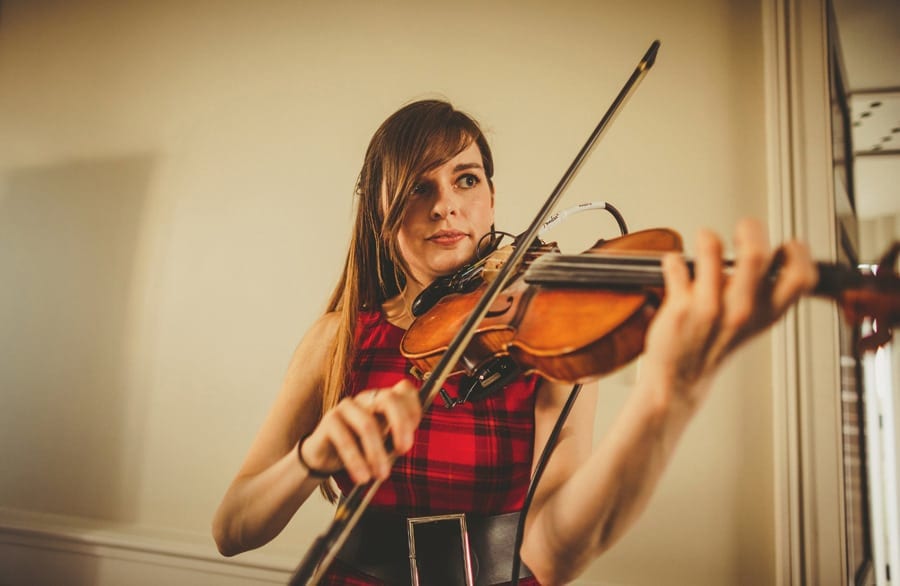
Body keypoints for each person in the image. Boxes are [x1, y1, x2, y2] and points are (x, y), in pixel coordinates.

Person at [212, 99, 817, 585]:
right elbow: (232, 529)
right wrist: (310, 457)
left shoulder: (545, 337)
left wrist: (668, 395)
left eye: (465, 180)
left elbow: (554, 552)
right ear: (381, 215)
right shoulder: (337, 340)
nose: (447, 205)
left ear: (492, 200)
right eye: (418, 188)